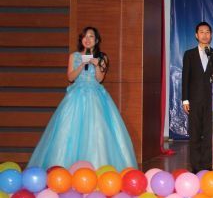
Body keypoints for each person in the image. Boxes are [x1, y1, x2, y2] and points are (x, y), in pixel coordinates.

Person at [29, 27, 138, 170]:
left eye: (91, 36)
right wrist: (82, 65)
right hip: (76, 96)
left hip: (95, 96)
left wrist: (96, 65)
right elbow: (70, 77)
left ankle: (97, 167)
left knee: (96, 130)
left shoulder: (102, 57)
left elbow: (100, 79)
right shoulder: (74, 56)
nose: (87, 39)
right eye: (84, 36)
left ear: (96, 40)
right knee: (69, 131)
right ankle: (65, 169)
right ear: (81, 39)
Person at [181, 22, 213, 173]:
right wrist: (185, 99)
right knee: (194, 133)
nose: (205, 35)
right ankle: (195, 166)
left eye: (207, 32)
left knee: (209, 133)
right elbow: (185, 78)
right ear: (196, 35)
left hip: (211, 100)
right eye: (201, 32)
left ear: (211, 35)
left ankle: (207, 165)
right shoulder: (189, 54)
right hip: (194, 100)